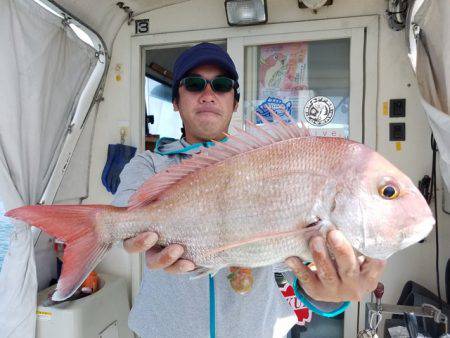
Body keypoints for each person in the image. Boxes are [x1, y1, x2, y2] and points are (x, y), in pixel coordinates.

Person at [112, 42, 386, 337]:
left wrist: (329, 289)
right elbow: (122, 220)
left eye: (221, 85)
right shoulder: (150, 163)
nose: (208, 95)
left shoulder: (267, 164)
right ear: (176, 101)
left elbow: (290, 264)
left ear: (234, 101)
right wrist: (134, 235)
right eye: (193, 85)